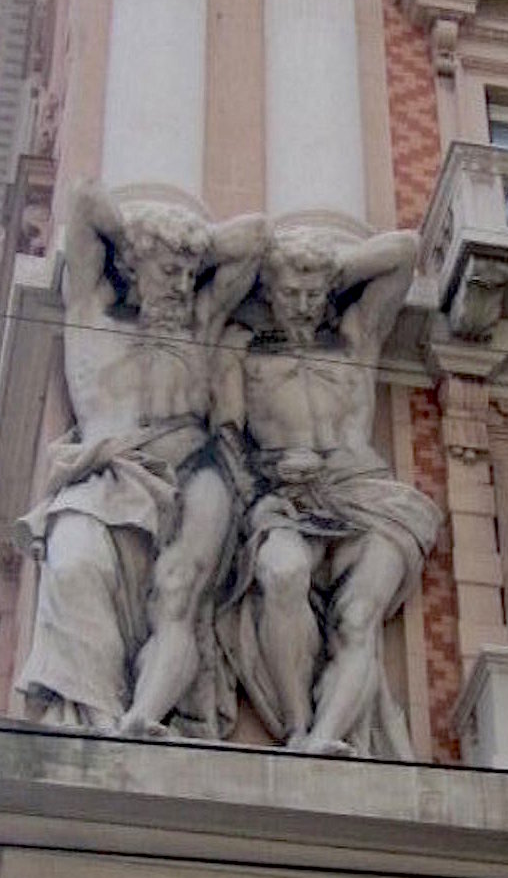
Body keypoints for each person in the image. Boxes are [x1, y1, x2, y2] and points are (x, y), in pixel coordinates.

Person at [15, 181, 267, 734]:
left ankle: (143, 718)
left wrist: (189, 245)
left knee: (179, 594)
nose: (181, 285)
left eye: (188, 274)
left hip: (195, 472)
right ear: (133, 267)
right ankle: (99, 717)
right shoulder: (91, 315)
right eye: (168, 272)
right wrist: (142, 239)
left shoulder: (200, 324)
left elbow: (255, 237)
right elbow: (84, 204)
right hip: (108, 475)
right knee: (73, 563)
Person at [216, 220, 440, 757]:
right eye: (290, 293)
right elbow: (227, 437)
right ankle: (297, 725)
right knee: (282, 574)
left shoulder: (355, 338)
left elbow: (404, 249)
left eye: (312, 295)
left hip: (369, 496)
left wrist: (330, 269)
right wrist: (265, 475)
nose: (301, 305)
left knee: (358, 620)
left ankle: (325, 737)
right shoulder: (242, 349)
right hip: (285, 499)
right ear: (269, 292)